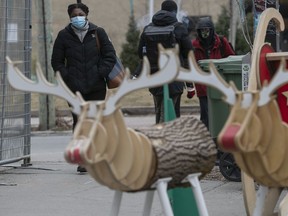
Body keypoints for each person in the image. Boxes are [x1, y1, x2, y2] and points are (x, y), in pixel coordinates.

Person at [51, 3, 116, 172]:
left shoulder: (98, 33)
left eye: (80, 14)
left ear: (86, 15)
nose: (77, 17)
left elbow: (110, 56)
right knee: (79, 122)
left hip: (96, 86)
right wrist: (67, 77)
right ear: (70, 17)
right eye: (74, 15)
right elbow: (56, 61)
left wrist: (100, 72)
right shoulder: (64, 36)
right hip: (75, 89)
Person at [137, 0, 193, 124]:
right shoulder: (179, 28)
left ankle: (159, 137)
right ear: (175, 12)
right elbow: (188, 55)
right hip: (175, 77)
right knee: (173, 113)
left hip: (155, 78)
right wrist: (190, 84)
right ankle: (171, 139)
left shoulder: (148, 28)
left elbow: (141, 53)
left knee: (159, 112)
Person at [188, 17, 235, 129]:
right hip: (202, 86)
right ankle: (207, 138)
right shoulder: (194, 45)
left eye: (207, 30)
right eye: (202, 30)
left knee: (221, 113)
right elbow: (190, 65)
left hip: (220, 84)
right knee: (206, 116)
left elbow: (231, 58)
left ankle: (220, 135)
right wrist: (191, 87)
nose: (205, 33)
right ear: (198, 32)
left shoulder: (221, 42)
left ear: (211, 30)